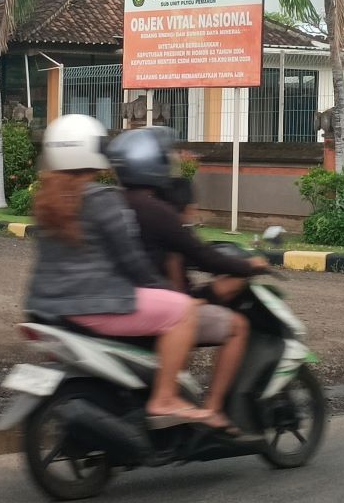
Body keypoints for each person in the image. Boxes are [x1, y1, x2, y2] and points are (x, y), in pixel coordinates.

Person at [23, 114, 209, 427]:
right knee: (184, 311)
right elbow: (131, 260)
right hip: (98, 305)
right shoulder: (102, 199)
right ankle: (164, 398)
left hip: (44, 308)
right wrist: (163, 289)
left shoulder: (45, 200)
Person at [107, 127, 267, 435]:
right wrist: (249, 266)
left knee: (204, 301)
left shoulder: (112, 203)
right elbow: (205, 257)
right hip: (155, 306)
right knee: (237, 326)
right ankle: (213, 409)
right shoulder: (157, 211)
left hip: (119, 301)